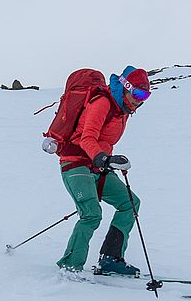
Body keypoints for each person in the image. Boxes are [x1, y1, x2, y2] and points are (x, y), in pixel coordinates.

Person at [55, 65, 151, 276]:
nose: (140, 100)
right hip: (75, 162)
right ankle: (70, 266)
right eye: (137, 93)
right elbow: (87, 137)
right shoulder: (103, 103)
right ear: (126, 87)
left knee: (130, 203)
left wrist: (107, 160)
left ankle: (110, 259)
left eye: (146, 95)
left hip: (98, 165)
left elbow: (104, 141)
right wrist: (103, 158)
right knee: (91, 215)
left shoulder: (122, 111)